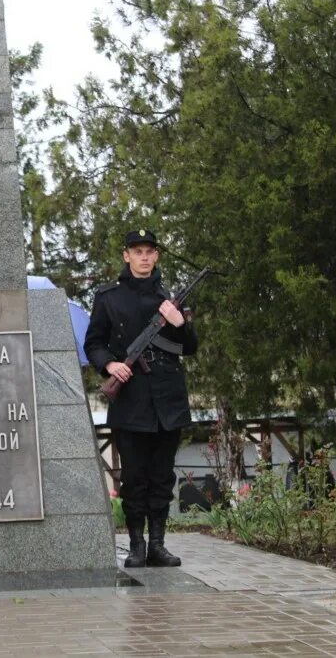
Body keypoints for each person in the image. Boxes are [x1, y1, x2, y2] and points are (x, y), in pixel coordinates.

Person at [84, 229, 198, 568]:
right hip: (131, 400)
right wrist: (110, 364)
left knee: (162, 477)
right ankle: (136, 544)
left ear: (157, 257)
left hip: (168, 401)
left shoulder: (170, 299)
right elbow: (94, 344)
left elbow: (189, 348)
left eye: (150, 251)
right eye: (138, 251)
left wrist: (180, 324)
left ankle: (158, 545)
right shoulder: (108, 298)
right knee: (135, 477)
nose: (144, 257)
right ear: (126, 256)